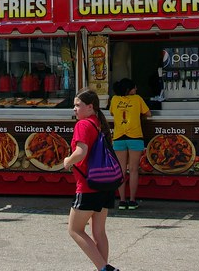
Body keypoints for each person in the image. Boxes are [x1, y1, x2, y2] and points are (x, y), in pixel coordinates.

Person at [63, 87, 119, 271]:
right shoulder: (97, 123)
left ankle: (104, 268)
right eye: (74, 106)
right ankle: (102, 267)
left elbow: (81, 152)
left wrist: (68, 161)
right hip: (105, 184)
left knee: (75, 230)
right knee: (99, 231)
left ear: (90, 106)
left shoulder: (83, 124)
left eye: (78, 105)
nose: (74, 109)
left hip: (88, 185)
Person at [109, 77, 151, 210]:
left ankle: (121, 201)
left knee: (121, 170)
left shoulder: (115, 99)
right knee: (133, 170)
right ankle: (132, 201)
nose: (136, 89)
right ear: (129, 89)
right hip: (135, 137)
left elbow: (111, 112)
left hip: (119, 137)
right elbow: (148, 113)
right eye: (134, 87)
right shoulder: (137, 99)